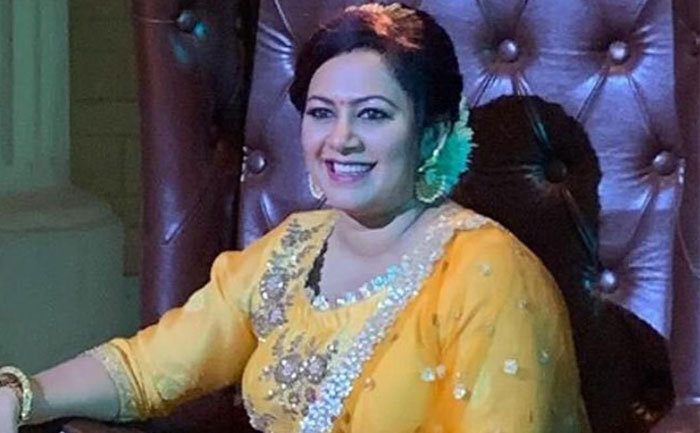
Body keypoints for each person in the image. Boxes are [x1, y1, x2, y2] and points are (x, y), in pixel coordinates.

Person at [0, 3, 591, 432]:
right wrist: (24, 395)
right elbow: (150, 369)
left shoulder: (487, 274)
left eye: (373, 114)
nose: (341, 139)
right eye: (321, 112)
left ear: (432, 134)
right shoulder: (293, 249)